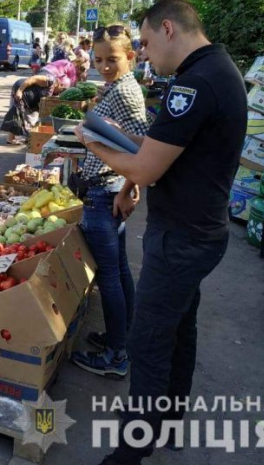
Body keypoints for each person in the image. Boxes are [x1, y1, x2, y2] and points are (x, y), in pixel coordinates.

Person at [72, 0, 247, 465]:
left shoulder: (194, 84)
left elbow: (148, 164)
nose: (144, 53)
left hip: (182, 239)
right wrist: (130, 181)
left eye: (145, 43)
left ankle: (130, 452)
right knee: (177, 331)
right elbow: (163, 152)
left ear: (168, 29)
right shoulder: (218, 70)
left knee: (148, 342)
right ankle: (167, 425)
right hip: (199, 232)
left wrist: (90, 142)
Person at [68, 25, 148, 380]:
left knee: (110, 278)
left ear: (130, 56)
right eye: (98, 60)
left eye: (112, 59)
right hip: (110, 187)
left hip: (105, 191)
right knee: (118, 272)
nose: (104, 66)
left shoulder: (126, 92)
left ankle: (117, 356)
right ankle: (123, 339)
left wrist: (128, 187)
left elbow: (141, 148)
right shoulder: (120, 87)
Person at [2, 58, 78, 145]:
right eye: (62, 89)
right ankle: (21, 139)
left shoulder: (53, 88)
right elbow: (33, 79)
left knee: (19, 114)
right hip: (23, 89)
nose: (60, 92)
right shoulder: (50, 80)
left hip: (28, 94)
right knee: (19, 115)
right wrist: (20, 91)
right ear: (60, 84)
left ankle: (18, 139)